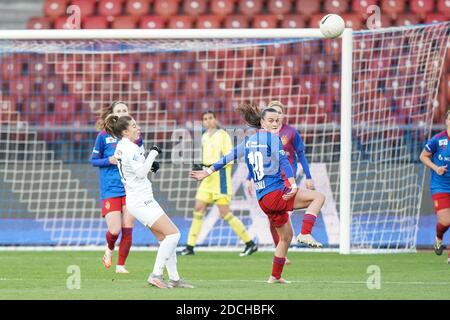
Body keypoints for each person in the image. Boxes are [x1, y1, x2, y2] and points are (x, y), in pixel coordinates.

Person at [191, 102, 325, 283]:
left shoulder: (248, 142)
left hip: (263, 199)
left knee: (285, 237)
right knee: (318, 197)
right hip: (276, 193)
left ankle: (275, 277)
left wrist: (207, 172)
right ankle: (306, 232)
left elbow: (227, 157)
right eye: (270, 120)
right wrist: (293, 185)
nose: (275, 123)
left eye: (277, 120)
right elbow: (284, 162)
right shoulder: (273, 139)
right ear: (262, 122)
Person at [105, 114, 193, 288]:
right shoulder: (129, 148)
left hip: (139, 199)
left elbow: (136, 169)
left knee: (164, 238)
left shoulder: (124, 146)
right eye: (134, 125)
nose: (138, 128)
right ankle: (156, 274)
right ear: (125, 131)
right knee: (174, 234)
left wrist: (149, 164)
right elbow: (139, 173)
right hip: (141, 200)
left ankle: (174, 279)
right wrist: (153, 153)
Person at [245, 101, 320, 264]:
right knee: (274, 218)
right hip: (271, 180)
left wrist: (308, 176)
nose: (275, 119)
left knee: (286, 214)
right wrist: (249, 178)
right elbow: (257, 160)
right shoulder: (264, 137)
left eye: (278, 114)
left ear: (282, 115)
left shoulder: (291, 132)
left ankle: (293, 240)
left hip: (287, 178)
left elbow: (301, 155)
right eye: (272, 116)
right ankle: (280, 250)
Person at [179, 110, 258, 256]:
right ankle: (189, 247)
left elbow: (229, 158)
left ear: (215, 120)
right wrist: (201, 165)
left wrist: (209, 167)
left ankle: (250, 243)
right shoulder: (203, 137)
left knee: (224, 213)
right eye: (205, 119)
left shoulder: (223, 135)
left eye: (210, 118)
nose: (208, 121)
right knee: (198, 208)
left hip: (220, 177)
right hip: (207, 178)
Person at [90, 101, 140, 274]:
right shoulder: (103, 136)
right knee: (115, 229)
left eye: (124, 110)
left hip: (130, 188)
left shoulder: (134, 136)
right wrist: (108, 160)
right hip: (110, 189)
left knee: (128, 227)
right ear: (112, 114)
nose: (121, 112)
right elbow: (93, 160)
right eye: (118, 110)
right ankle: (109, 250)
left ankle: (120, 266)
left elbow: (140, 159)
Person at [419, 110, 450, 264]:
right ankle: (438, 237)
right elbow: (423, 156)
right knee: (445, 221)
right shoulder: (438, 140)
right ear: (446, 121)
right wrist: (436, 168)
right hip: (440, 186)